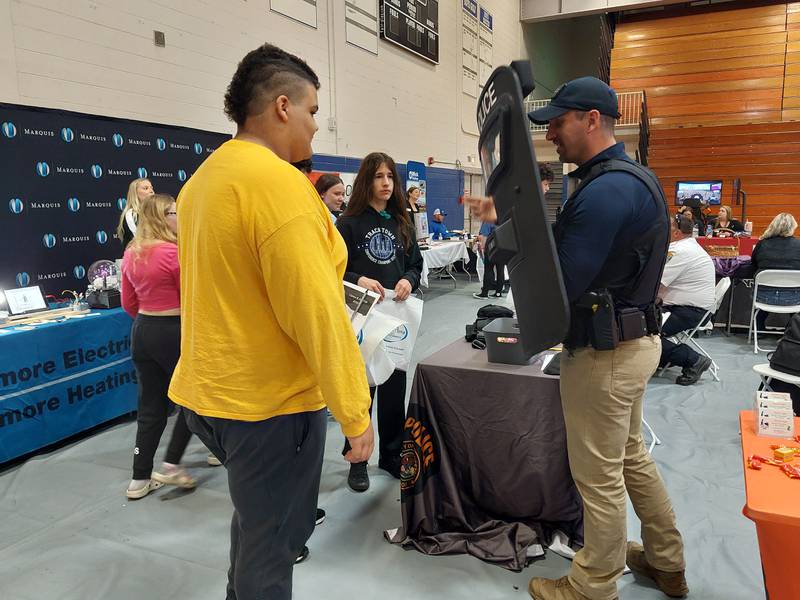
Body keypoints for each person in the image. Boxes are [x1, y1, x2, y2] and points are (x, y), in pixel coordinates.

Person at [468, 76, 688, 600]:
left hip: (605, 353)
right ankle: (666, 560)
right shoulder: (629, 179)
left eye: (559, 123)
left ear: (592, 120)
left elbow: (560, 285)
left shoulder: (605, 189)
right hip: (632, 343)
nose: (552, 136)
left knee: (599, 475)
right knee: (630, 457)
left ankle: (593, 584)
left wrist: (508, 240)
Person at [167, 44, 374, 600]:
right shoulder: (279, 188)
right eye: (311, 112)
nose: (313, 127)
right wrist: (356, 412)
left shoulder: (202, 181)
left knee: (257, 525)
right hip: (269, 406)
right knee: (275, 544)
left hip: (211, 394)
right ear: (282, 106)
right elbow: (317, 315)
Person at [336, 151, 423, 492]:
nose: (386, 183)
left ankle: (390, 455)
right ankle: (356, 459)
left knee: (393, 389)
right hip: (361, 317)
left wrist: (409, 281)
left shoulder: (402, 222)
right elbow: (335, 269)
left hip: (396, 320)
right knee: (361, 392)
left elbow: (415, 265)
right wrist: (358, 279)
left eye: (390, 177)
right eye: (379, 177)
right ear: (366, 181)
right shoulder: (349, 223)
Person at [120, 193, 196, 499]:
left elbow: (128, 303)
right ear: (162, 218)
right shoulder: (172, 253)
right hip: (172, 330)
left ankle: (139, 478)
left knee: (150, 407)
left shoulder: (131, 252)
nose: (179, 218)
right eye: (174, 213)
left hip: (142, 331)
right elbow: (192, 298)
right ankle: (171, 464)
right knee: (192, 399)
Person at [658, 214, 715, 385]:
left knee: (641, 331)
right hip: (692, 308)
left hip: (686, 311)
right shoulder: (689, 247)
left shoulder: (679, 250)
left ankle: (694, 360)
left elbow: (656, 284)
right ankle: (661, 358)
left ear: (676, 232)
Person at [751, 212, 800, 333]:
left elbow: (753, 264)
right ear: (793, 227)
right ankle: (791, 332)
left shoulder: (762, 244)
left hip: (763, 297)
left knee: (766, 291)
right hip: (794, 299)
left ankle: (758, 330)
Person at [116, 178, 154, 251]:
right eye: (146, 188)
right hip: (138, 259)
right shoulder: (131, 215)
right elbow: (140, 240)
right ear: (135, 193)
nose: (151, 191)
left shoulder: (156, 213)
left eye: (151, 188)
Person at [473, 221, 503, 299]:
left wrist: (483, 248)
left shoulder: (488, 220)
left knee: (488, 269)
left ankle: (485, 293)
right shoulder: (502, 217)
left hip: (492, 247)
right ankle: (498, 293)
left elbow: (483, 236)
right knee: (500, 270)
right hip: (502, 246)